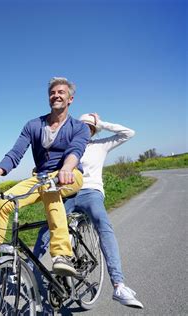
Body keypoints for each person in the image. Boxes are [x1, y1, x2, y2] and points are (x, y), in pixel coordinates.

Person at [0, 77, 90, 276]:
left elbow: (76, 150)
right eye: (52, 93)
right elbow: (15, 153)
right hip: (41, 177)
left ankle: (62, 255)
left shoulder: (79, 127)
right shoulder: (33, 125)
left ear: (70, 99)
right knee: (2, 203)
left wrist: (66, 168)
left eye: (61, 92)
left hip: (70, 174)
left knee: (50, 188)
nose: (56, 95)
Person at [32, 113, 144, 308]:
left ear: (93, 130)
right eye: (81, 126)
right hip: (68, 193)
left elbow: (129, 133)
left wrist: (100, 123)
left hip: (91, 192)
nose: (85, 129)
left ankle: (118, 284)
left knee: (103, 224)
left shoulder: (100, 145)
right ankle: (30, 272)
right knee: (48, 228)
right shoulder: (67, 147)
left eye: (89, 127)